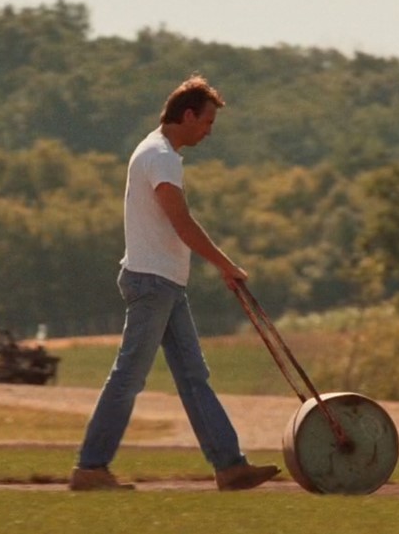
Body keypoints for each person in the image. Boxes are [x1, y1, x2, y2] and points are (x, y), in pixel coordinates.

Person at [68, 75, 281, 492]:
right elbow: (180, 222)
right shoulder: (160, 157)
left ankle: (230, 466)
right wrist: (226, 265)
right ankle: (91, 467)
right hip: (152, 284)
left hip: (165, 283)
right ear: (187, 115)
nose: (208, 131)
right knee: (129, 376)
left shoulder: (158, 153)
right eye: (207, 122)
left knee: (193, 376)